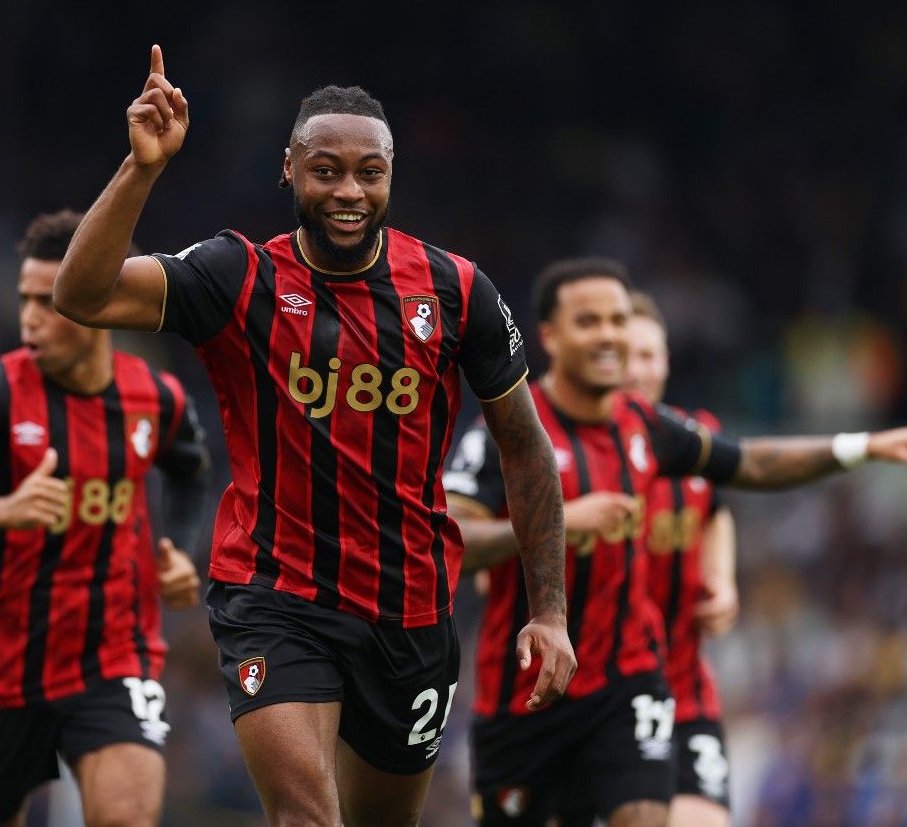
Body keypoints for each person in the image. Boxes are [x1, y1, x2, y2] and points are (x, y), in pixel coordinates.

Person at [51, 45, 576, 827]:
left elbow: (525, 445)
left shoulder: (455, 288)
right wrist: (141, 167)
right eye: (326, 170)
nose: (349, 190)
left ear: (392, 175)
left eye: (369, 171)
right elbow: (82, 292)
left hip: (410, 610)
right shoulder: (237, 276)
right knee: (306, 815)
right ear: (288, 169)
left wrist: (550, 610)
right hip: (275, 595)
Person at [444, 257, 907, 827]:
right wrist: (553, 523)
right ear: (549, 336)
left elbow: (750, 463)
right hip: (523, 699)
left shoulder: (646, 425)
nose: (610, 334)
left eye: (618, 319)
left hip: (627, 686)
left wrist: (861, 446)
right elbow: (451, 540)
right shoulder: (505, 431)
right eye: (589, 321)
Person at [0, 210, 211, 827]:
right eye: (24, 299)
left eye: (47, 300)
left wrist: (177, 550)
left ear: (95, 300)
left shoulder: (155, 397)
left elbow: (191, 469)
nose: (29, 317)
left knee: (127, 817)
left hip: (113, 658)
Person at [625, 291, 737, 827]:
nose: (638, 370)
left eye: (650, 355)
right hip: (596, 701)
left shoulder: (698, 439)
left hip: (685, 692)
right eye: (626, 356)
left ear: (667, 361)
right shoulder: (567, 453)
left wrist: (723, 580)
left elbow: (716, 512)